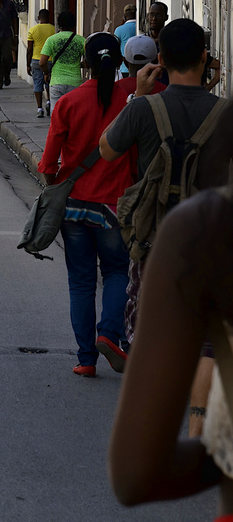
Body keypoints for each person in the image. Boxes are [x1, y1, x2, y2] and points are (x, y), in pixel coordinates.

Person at [99, 19, 225, 350]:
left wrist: (137, 96)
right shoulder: (225, 113)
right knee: (207, 344)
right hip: (210, 243)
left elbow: (107, 149)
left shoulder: (143, 107)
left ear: (162, 60)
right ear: (204, 56)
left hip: (154, 240)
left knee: (150, 338)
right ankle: (197, 406)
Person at [108, 180, 233, 512]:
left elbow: (136, 474)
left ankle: (197, 426)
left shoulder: (209, 224)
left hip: (165, 228)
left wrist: (222, 452)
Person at [38, 33, 133, 377]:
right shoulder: (131, 102)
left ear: (85, 64)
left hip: (75, 205)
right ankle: (109, 334)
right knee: (117, 272)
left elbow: (49, 165)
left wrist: (57, 190)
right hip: (115, 205)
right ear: (119, 62)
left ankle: (86, 359)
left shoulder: (69, 103)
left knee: (80, 282)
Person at [38, 10, 85, 111]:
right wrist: (78, 64)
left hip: (56, 82)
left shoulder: (51, 40)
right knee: (74, 115)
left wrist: (46, 73)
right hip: (75, 83)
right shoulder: (81, 41)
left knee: (56, 116)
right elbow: (89, 62)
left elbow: (42, 63)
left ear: (59, 24)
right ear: (73, 24)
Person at [26, 8, 54, 118]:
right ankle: (48, 101)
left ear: (38, 18)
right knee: (49, 82)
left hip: (36, 59)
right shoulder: (54, 29)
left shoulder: (33, 30)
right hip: (50, 60)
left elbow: (29, 49)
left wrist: (28, 64)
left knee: (37, 84)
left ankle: (39, 108)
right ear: (49, 17)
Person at [114, 4, 138, 75]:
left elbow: (115, 48)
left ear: (124, 16)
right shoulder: (141, 28)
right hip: (141, 68)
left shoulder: (119, 30)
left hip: (125, 68)